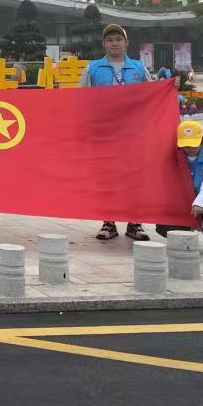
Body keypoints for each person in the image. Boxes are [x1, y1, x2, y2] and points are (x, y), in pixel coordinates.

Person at [80, 24, 152, 242]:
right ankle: (108, 222)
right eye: (109, 40)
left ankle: (135, 223)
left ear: (126, 43)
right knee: (107, 178)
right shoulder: (92, 69)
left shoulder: (138, 68)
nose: (114, 43)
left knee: (134, 178)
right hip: (104, 134)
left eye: (118, 39)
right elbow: (80, 100)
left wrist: (171, 88)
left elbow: (152, 95)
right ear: (104, 44)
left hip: (133, 135)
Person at [156, 121, 203, 258]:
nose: (189, 148)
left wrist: (200, 200)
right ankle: (187, 229)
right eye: (185, 145)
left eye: (193, 145)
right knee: (164, 225)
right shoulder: (176, 155)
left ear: (202, 140)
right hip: (181, 197)